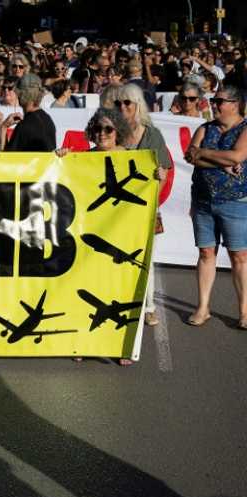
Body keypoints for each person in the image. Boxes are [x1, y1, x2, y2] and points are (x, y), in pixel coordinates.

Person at [58, 108, 137, 365]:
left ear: (118, 132)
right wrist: (61, 158)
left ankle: (122, 346)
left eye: (108, 129)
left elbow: (147, 189)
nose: (102, 134)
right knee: (86, 282)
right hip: (90, 231)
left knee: (121, 287)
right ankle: (83, 342)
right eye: (97, 129)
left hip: (121, 233)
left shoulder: (134, 158)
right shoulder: (85, 158)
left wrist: (156, 175)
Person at [184, 85, 247, 330]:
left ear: (235, 104)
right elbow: (190, 156)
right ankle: (203, 307)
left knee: (239, 256)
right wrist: (222, 164)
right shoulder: (205, 127)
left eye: (220, 101)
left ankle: (244, 311)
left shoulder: (244, 128)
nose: (214, 104)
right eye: (214, 100)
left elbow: (237, 156)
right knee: (205, 253)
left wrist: (203, 153)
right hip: (203, 201)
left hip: (235, 201)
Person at [113, 82, 172, 326]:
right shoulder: (111, 130)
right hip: (115, 210)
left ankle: (148, 307)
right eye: (118, 103)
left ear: (138, 105)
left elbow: (164, 170)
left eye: (127, 102)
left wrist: (159, 180)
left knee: (144, 259)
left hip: (144, 208)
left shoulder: (152, 134)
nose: (122, 107)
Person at [0, 74, 55, 152]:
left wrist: (3, 127)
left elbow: (6, 158)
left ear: (22, 94)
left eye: (18, 92)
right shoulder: (47, 119)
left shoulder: (24, 126)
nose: (17, 95)